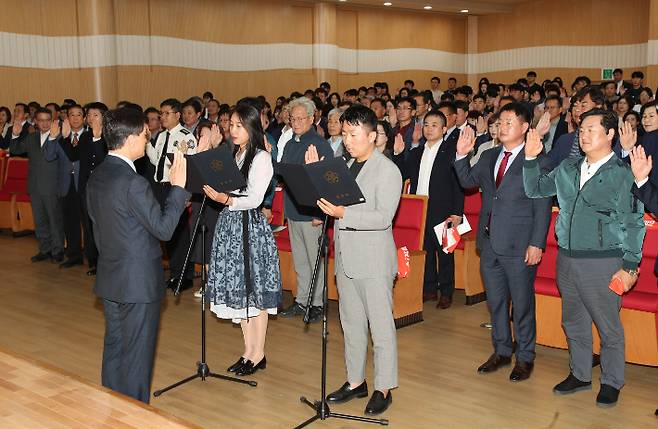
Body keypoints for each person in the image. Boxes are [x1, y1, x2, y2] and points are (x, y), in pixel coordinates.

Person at [524, 108, 645, 408]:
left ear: (611, 135)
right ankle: (579, 374)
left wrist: (630, 266)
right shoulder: (568, 167)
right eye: (582, 129)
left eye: (592, 129)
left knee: (608, 325)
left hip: (604, 261)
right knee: (573, 321)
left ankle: (612, 380)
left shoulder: (622, 173)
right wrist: (529, 159)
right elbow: (536, 189)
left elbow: (633, 222)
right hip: (567, 256)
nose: (584, 134)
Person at [86, 108, 190, 403]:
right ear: (131, 138)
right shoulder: (134, 182)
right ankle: (133, 417)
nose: (148, 140)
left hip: (111, 277)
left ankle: (113, 410)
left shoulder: (98, 175)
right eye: (145, 134)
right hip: (137, 283)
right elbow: (164, 229)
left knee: (116, 349)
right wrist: (179, 189)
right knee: (137, 358)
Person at [306, 104, 401, 416]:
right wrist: (315, 175)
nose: (347, 139)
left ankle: (383, 386)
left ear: (372, 135)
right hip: (347, 256)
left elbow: (383, 217)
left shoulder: (387, 170)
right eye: (344, 133)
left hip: (373, 260)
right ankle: (355, 381)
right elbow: (328, 202)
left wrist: (343, 213)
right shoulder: (344, 165)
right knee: (351, 323)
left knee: (380, 325)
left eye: (353, 133)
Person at [454, 102, 552, 382]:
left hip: (521, 245)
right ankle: (501, 350)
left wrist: (537, 243)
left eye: (510, 122)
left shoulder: (538, 159)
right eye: (500, 122)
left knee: (521, 304)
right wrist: (462, 155)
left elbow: (542, 205)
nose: (502, 126)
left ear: (524, 128)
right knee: (496, 302)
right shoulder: (489, 155)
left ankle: (525, 357)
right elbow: (467, 182)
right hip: (490, 242)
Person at [203, 104, 282, 376]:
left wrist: (225, 198)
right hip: (231, 226)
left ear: (251, 127)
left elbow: (255, 198)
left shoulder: (260, 157)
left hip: (249, 227)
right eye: (231, 125)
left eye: (238, 125)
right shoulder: (236, 154)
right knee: (241, 292)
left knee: (254, 292)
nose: (232, 130)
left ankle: (258, 352)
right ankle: (248, 351)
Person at [395, 110, 464, 308]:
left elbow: (458, 184)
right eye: (426, 124)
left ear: (444, 129)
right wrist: (400, 154)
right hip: (421, 209)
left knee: (445, 252)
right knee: (424, 251)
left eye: (434, 125)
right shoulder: (417, 152)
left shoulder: (451, 152)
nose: (429, 128)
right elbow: (402, 173)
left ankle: (447, 292)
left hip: (443, 209)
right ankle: (429, 289)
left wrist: (457, 212)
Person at [278, 97, 333, 323]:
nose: (297, 122)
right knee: (301, 260)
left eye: (302, 118)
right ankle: (302, 300)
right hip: (293, 210)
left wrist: (321, 214)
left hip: (312, 214)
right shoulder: (291, 143)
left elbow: (326, 181)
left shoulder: (319, 145)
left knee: (314, 261)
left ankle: (317, 304)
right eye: (293, 118)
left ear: (312, 118)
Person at [146, 98, 197, 290]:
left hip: (176, 188)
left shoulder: (186, 137)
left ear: (177, 115)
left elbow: (190, 167)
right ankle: (175, 272)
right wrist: (146, 142)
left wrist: (188, 194)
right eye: (161, 113)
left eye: (167, 113)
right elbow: (156, 160)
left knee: (180, 233)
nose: (163, 117)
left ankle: (184, 275)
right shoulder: (160, 136)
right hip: (161, 187)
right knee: (166, 231)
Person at [10, 108, 65, 263]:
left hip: (52, 186)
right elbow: (15, 150)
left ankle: (58, 250)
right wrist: (15, 134)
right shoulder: (31, 137)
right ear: (36, 121)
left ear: (53, 121)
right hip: (34, 186)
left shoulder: (59, 138)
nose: (45, 123)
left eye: (48, 120)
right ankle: (44, 249)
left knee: (54, 220)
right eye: (41, 120)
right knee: (40, 220)